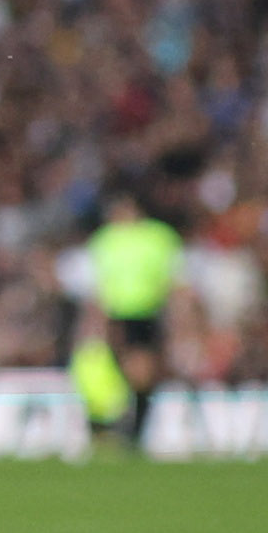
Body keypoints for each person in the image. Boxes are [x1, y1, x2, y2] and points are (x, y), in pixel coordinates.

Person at [74, 189, 182, 450]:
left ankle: (132, 427)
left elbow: (175, 281)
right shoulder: (105, 240)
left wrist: (177, 318)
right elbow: (96, 287)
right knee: (120, 369)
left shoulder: (159, 237)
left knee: (142, 371)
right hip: (116, 314)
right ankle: (119, 422)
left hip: (147, 311)